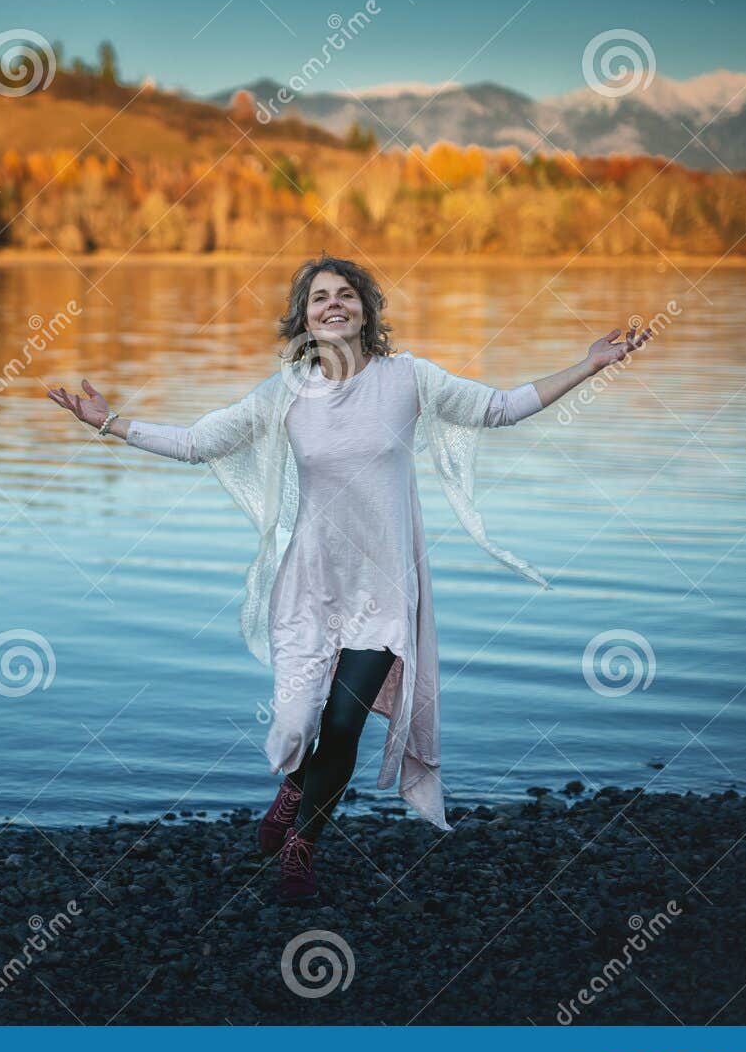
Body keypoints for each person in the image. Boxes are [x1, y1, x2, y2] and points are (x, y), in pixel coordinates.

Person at [47, 254, 651, 904]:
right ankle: (295, 783)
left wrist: (589, 365)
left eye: (345, 294)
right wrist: (110, 424)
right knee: (298, 719)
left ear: (365, 307)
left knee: (343, 721)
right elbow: (199, 442)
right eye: (318, 298)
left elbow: (500, 408)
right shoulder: (285, 392)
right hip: (312, 583)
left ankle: (303, 844)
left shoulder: (408, 379)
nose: (332, 303)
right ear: (303, 319)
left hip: (384, 585)